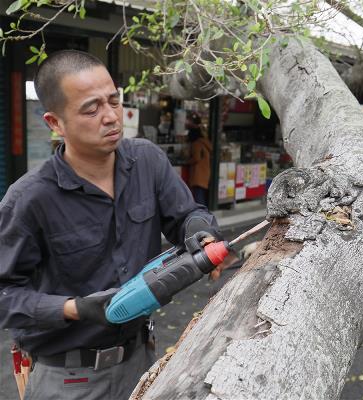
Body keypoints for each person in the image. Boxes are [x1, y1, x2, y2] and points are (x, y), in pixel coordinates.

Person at [0, 50, 224, 400]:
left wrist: (200, 231)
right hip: (68, 380)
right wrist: (74, 308)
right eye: (91, 109)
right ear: (55, 123)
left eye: (114, 101)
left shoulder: (147, 161)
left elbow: (185, 214)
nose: (111, 117)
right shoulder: (29, 200)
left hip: (143, 361)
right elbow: (5, 295)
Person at [187, 113, 212, 206]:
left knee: (198, 197)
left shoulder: (196, 144)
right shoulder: (205, 142)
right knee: (201, 195)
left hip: (198, 174)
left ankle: (202, 217)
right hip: (205, 172)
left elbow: (196, 158)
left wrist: (188, 161)